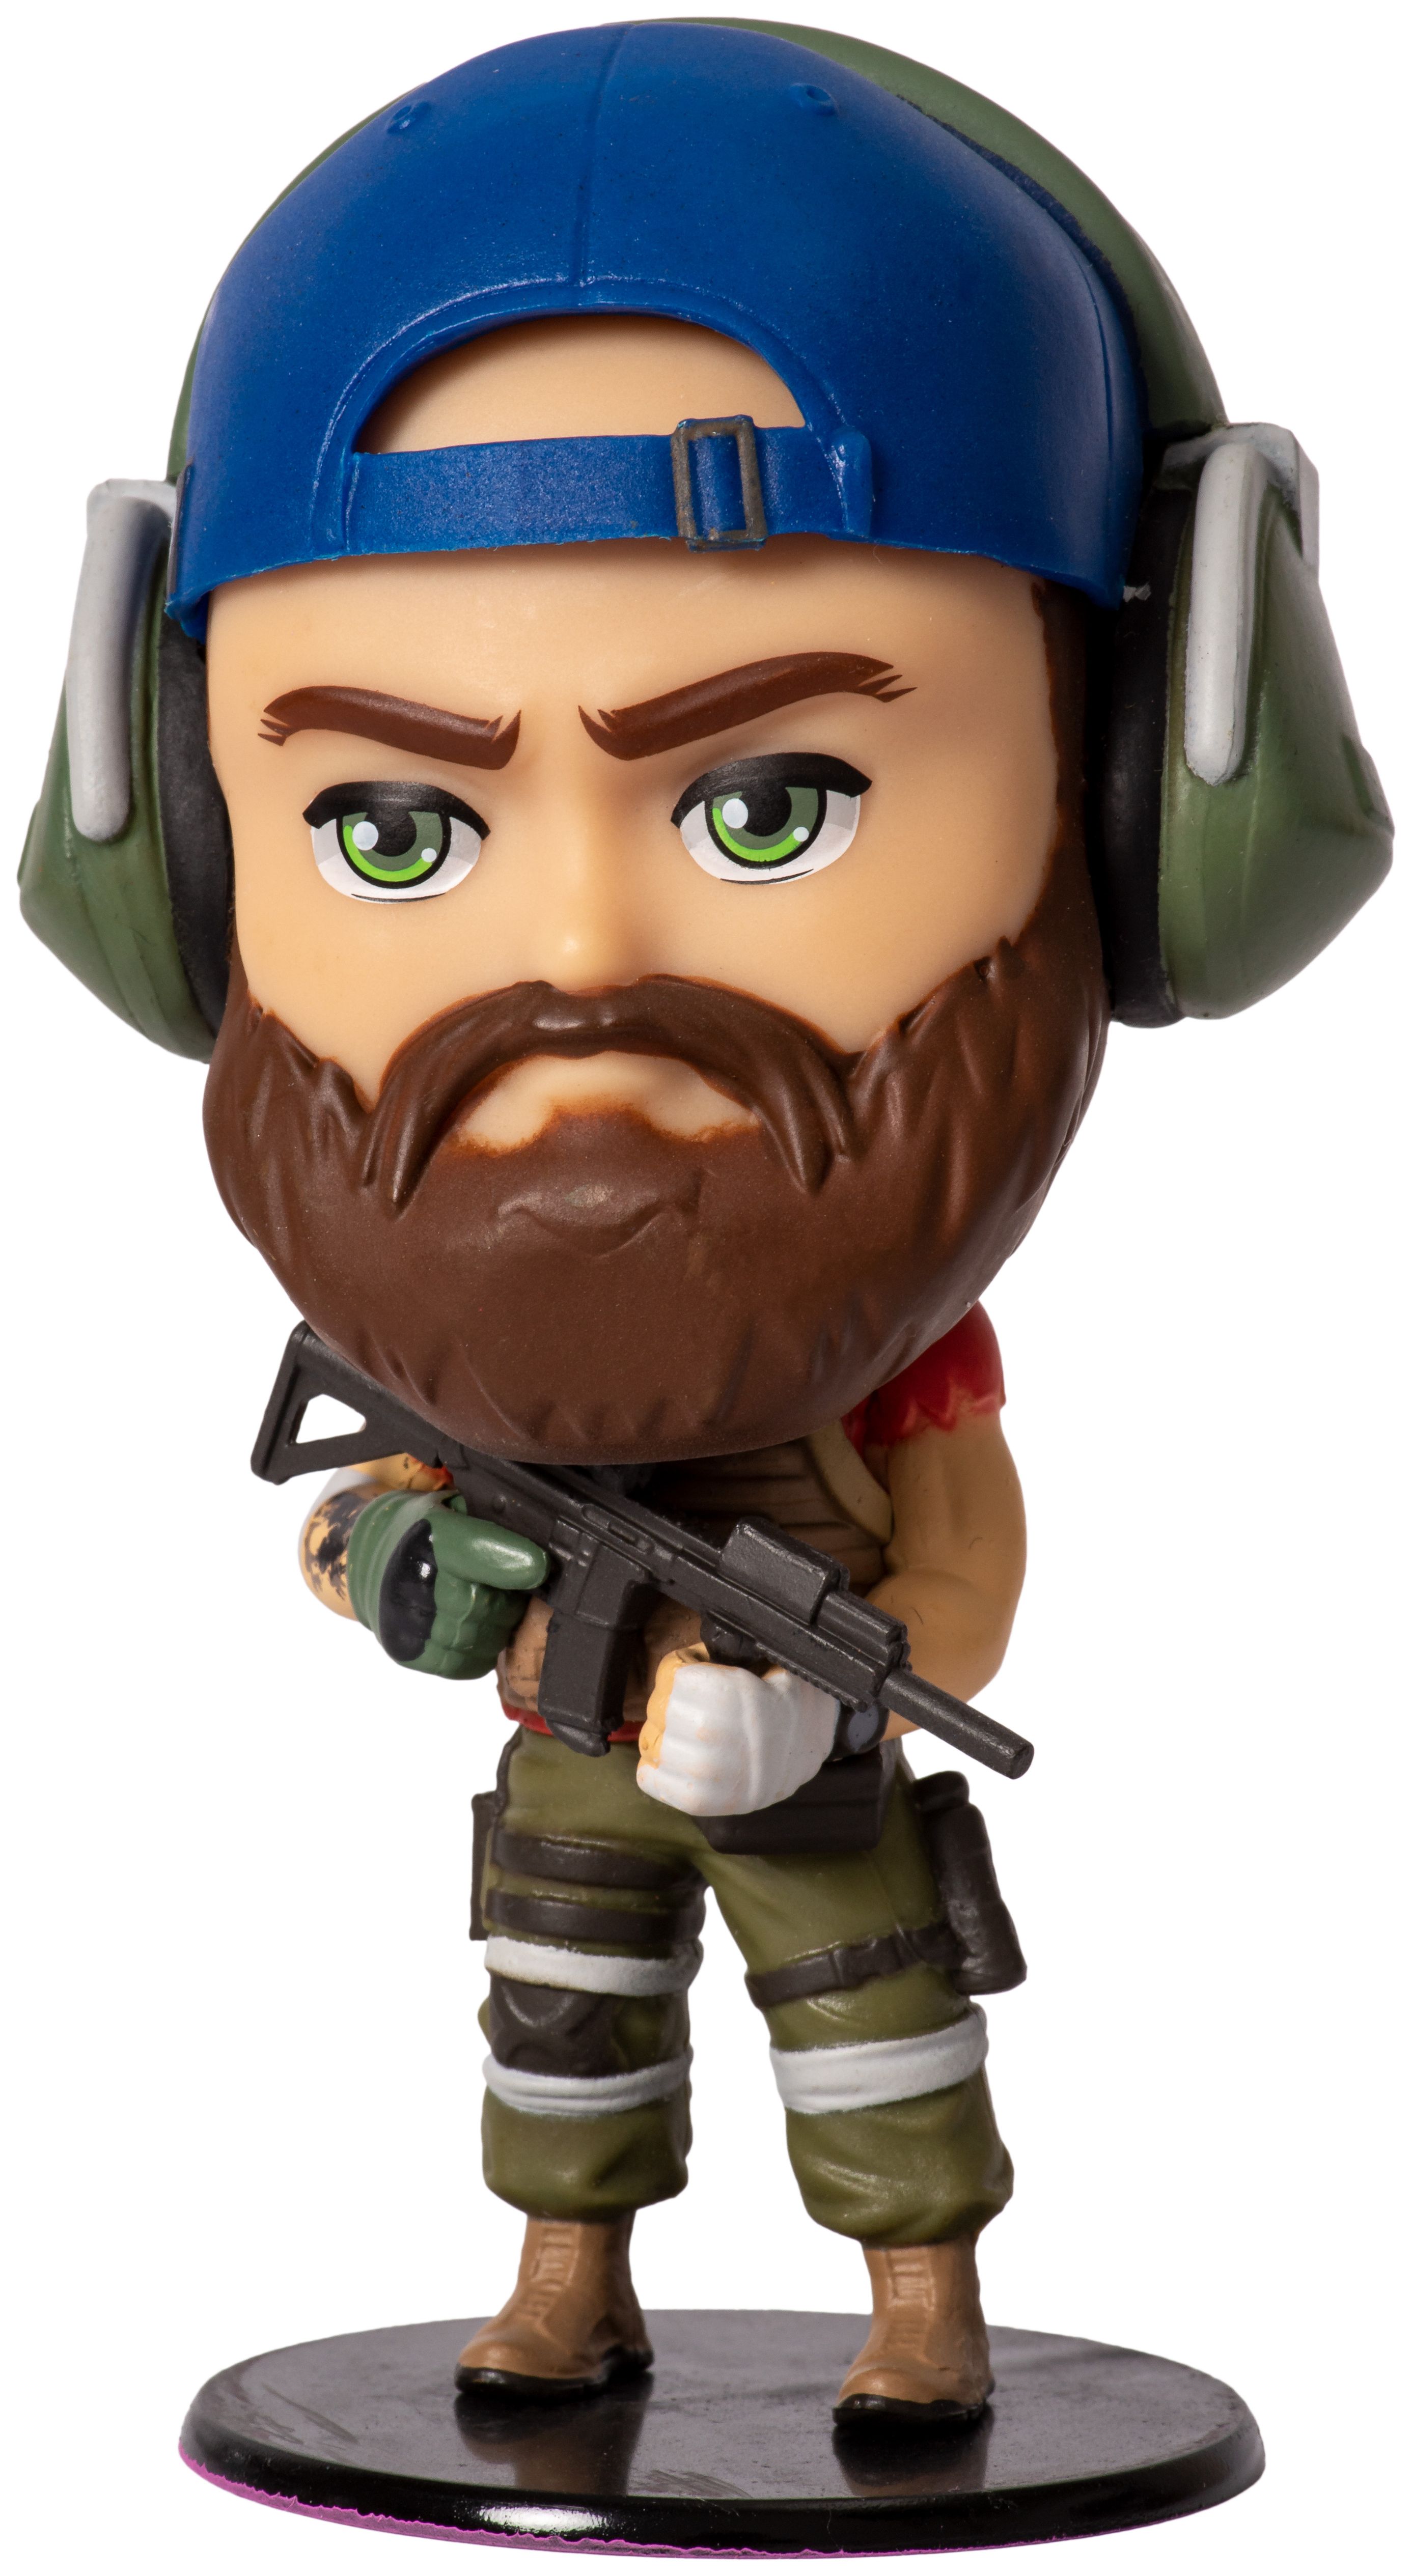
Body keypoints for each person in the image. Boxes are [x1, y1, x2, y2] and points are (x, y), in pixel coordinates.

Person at [19, 22, 1389, 2424]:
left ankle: (918, 2305)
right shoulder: (443, 1360)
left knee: (870, 2009)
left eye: (774, 802)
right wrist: (409, 1566)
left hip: (805, 1734)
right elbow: (362, 1532)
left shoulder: (897, 1363)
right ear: (177, 853)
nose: (573, 956)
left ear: (1141, 809)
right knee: (557, 1998)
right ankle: (567, 2276)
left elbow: (958, 1549)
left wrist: (840, 1674)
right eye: (392, 830)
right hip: (570, 1739)